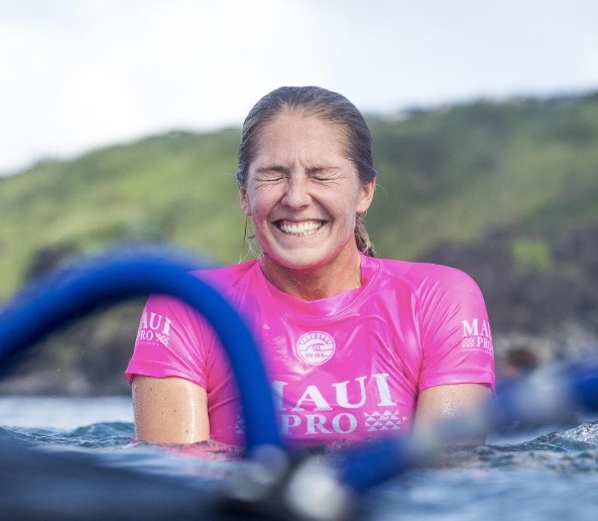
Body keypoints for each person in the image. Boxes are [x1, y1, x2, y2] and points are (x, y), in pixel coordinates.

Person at [126, 86, 496, 449]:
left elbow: (447, 480)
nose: (296, 197)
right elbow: (174, 487)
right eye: (273, 174)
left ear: (364, 191)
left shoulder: (438, 299)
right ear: (244, 195)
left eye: (320, 174)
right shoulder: (188, 307)